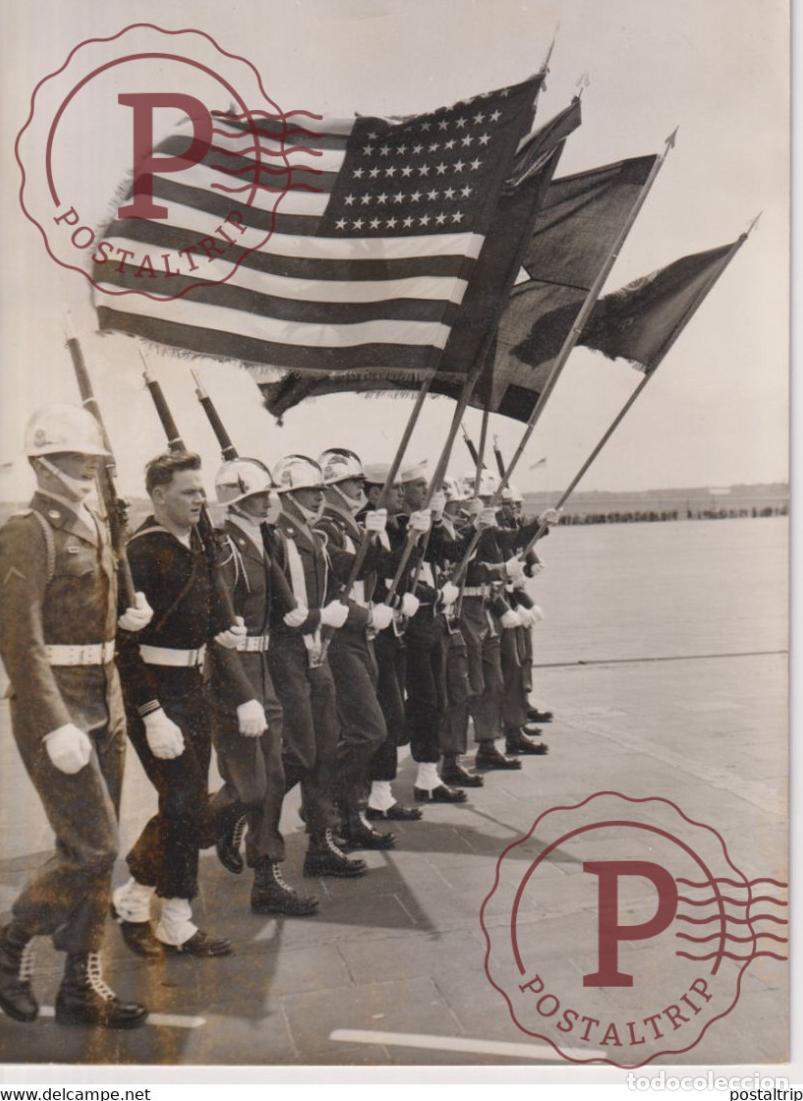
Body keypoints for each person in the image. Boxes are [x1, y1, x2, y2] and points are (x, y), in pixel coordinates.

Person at [0, 404, 151, 1028]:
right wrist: (53, 719)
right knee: (92, 847)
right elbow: (20, 638)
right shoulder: (27, 530)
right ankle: (11, 940)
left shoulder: (95, 520)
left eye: (90, 459)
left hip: (104, 692)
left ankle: (80, 986)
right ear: (43, 464)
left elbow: (87, 607)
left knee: (92, 848)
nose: (85, 468)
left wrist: (124, 619)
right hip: (58, 704)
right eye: (71, 459)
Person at [112, 450, 257, 959]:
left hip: (193, 686)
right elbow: (124, 643)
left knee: (188, 806)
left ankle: (154, 907)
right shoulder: (143, 552)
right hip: (155, 690)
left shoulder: (195, 541)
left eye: (202, 491)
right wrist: (151, 714)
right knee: (184, 804)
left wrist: (227, 628)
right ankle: (154, 908)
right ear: (158, 496)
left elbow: (210, 607)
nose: (202, 499)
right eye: (189, 491)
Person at [209, 458, 318, 916]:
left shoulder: (261, 536)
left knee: (273, 774)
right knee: (248, 786)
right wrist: (240, 693)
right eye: (259, 495)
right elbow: (219, 626)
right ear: (238, 500)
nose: (270, 500)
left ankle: (267, 877)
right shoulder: (224, 545)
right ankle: (202, 827)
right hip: (236, 672)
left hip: (265, 665)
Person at [268, 454, 367, 878]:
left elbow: (343, 572)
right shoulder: (277, 535)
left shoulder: (313, 534)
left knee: (325, 750)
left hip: (317, 650)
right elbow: (275, 604)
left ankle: (321, 842)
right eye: (310, 492)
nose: (318, 498)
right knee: (301, 752)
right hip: (290, 653)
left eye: (320, 491)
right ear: (289, 496)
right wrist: (314, 618)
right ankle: (239, 813)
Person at [315, 449, 397, 850]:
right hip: (341, 637)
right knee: (368, 730)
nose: (360, 489)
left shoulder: (351, 522)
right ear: (332, 486)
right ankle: (328, 812)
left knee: (366, 732)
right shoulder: (325, 527)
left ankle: (351, 814)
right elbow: (344, 571)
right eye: (352, 483)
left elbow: (385, 565)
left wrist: (397, 533)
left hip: (361, 635)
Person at [397, 462, 466, 803]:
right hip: (409, 624)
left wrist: (437, 521)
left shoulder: (424, 523)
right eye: (420, 488)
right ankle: (414, 774)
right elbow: (402, 573)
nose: (426, 493)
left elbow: (448, 553)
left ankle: (428, 774)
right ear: (403, 491)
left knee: (435, 700)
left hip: (432, 621)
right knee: (420, 703)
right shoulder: (398, 525)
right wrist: (437, 595)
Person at [358, 464, 422, 822]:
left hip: (390, 631)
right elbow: (370, 575)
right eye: (393, 489)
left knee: (392, 715)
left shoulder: (391, 525)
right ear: (372, 493)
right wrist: (393, 603)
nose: (400, 494)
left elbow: (401, 567)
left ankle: (380, 792)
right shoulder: (363, 525)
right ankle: (373, 794)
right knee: (383, 715)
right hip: (372, 629)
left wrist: (415, 534)